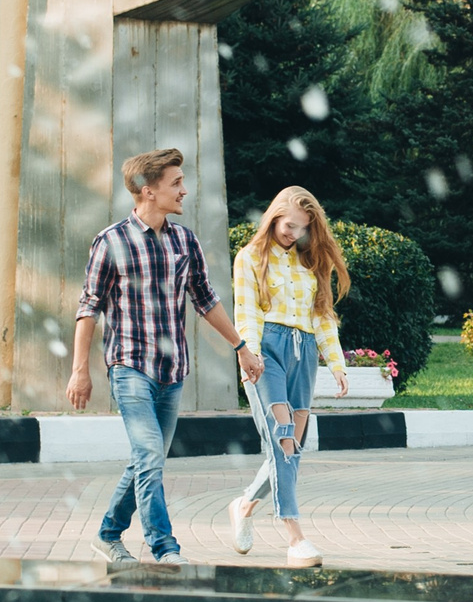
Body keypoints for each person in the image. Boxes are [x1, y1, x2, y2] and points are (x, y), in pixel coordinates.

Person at [66, 147, 263, 565]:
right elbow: (89, 308)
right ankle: (165, 548)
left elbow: (206, 301)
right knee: (151, 455)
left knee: (146, 459)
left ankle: (107, 534)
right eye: (175, 183)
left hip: (172, 372)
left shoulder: (184, 241)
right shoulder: (111, 241)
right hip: (130, 367)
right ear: (147, 190)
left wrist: (240, 347)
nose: (184, 190)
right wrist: (79, 370)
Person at [226, 186, 349, 567]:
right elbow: (246, 311)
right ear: (274, 216)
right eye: (288, 224)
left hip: (305, 352)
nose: (292, 233)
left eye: (301, 229)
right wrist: (251, 356)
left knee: (293, 446)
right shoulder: (250, 258)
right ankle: (294, 536)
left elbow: (322, 315)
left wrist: (336, 361)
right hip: (267, 353)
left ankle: (244, 505)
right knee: (282, 439)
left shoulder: (310, 263)